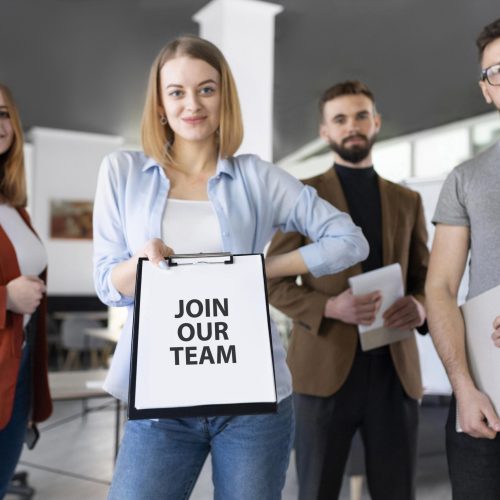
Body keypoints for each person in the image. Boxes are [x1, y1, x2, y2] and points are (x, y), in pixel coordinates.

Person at [92, 35, 369, 500]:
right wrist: (138, 264)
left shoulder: (257, 177)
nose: (192, 104)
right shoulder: (121, 172)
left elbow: (349, 240)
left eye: (207, 89)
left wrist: (263, 268)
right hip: (163, 400)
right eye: (176, 92)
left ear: (224, 97)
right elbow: (106, 283)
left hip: (253, 400)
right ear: (159, 103)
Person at [266, 80, 429, 500]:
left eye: (360, 116)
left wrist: (422, 307)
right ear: (324, 131)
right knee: (316, 491)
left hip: (395, 372)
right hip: (323, 369)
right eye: (340, 119)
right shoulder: (303, 197)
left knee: (397, 492)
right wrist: (328, 307)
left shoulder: (407, 200)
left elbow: (425, 277)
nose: (351, 126)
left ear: (375, 123)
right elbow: (271, 279)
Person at [425, 17, 500, 500]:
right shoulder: (465, 179)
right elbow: (440, 288)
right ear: (486, 90)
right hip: (486, 398)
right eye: (495, 71)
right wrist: (463, 388)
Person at [0, 83, 52, 497]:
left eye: (3, 114)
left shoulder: (15, 207)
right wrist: (6, 298)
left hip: (18, 363)